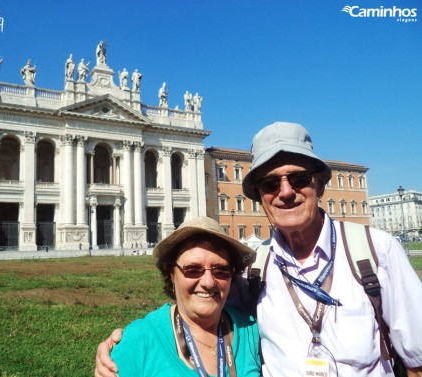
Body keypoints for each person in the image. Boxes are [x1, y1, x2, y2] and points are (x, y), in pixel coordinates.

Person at [96, 122, 422, 377]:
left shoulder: (377, 251)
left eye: (298, 179)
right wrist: (128, 344)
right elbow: (202, 307)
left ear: (320, 184)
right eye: (270, 184)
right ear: (259, 196)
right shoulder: (253, 270)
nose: (285, 193)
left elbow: (417, 362)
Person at [101, 216, 261, 376]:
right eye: (192, 269)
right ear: (171, 273)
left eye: (220, 271)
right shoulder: (137, 341)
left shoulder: (251, 330)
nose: (208, 282)